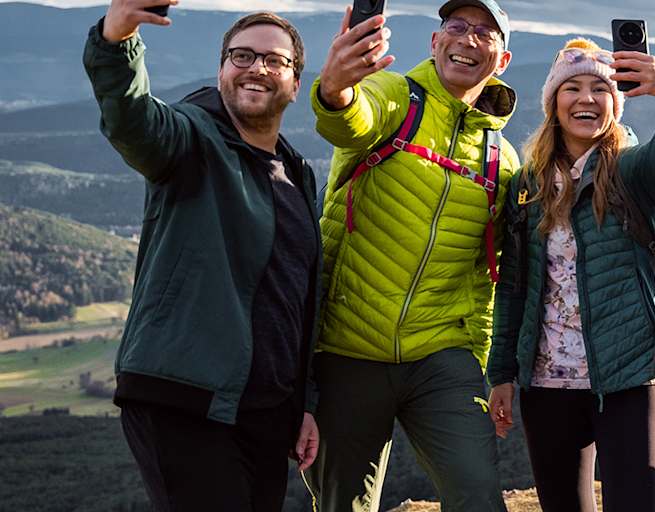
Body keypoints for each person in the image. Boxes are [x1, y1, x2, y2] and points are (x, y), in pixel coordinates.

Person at [84, 2, 320, 509]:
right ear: (221, 71)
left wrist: (304, 405)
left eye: (275, 60)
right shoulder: (189, 139)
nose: (257, 68)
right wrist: (117, 40)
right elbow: (132, 120)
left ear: (296, 84)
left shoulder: (296, 174)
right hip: (183, 399)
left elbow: (294, 301)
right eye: (242, 56)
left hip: (264, 414)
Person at [305, 0, 521, 509]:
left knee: (477, 494)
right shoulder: (395, 97)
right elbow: (350, 120)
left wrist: (484, 363)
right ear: (435, 41)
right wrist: (336, 89)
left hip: (442, 355)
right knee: (344, 504)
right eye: (457, 26)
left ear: (502, 60)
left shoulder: (502, 160)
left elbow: (490, 276)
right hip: (349, 346)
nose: (468, 39)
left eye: (485, 33)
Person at [485, 37, 655, 512]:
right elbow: (513, 287)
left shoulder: (633, 173)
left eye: (600, 89)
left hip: (632, 378)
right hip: (547, 384)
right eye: (572, 88)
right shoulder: (527, 185)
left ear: (615, 104)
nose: (586, 99)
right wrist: (502, 374)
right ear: (553, 103)